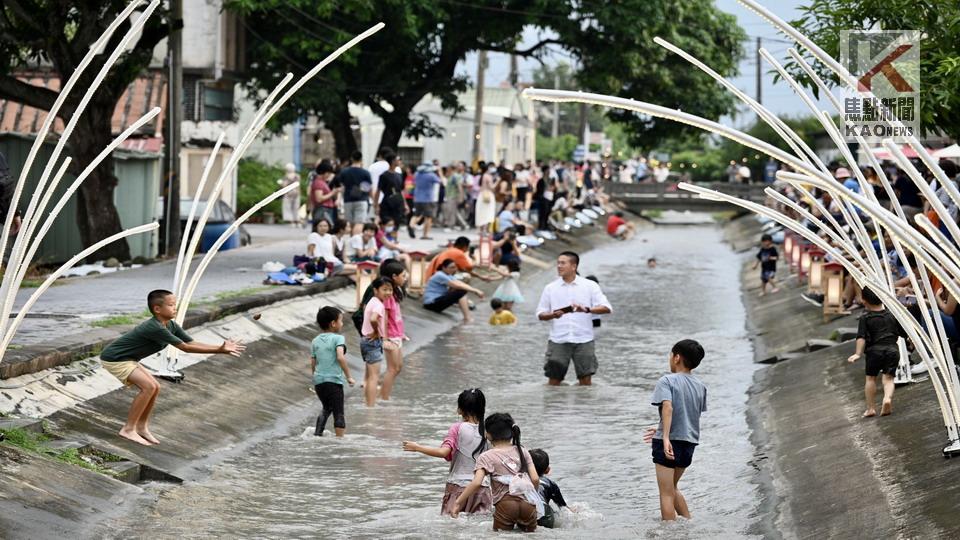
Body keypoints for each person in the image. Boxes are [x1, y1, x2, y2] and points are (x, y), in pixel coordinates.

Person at [99, 290, 246, 445]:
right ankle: (128, 430)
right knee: (148, 387)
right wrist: (218, 350)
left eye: (175, 304)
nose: (175, 308)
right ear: (157, 309)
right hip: (115, 359)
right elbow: (185, 348)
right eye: (171, 305)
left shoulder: (170, 325)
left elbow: (191, 343)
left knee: (155, 387)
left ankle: (141, 427)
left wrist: (219, 347)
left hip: (129, 358)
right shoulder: (155, 327)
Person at [642, 339, 707, 521]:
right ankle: (688, 524)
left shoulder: (667, 380)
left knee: (666, 493)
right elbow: (690, 414)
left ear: (677, 357)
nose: (670, 359)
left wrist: (665, 438)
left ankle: (669, 534)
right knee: (672, 487)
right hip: (689, 443)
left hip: (669, 441)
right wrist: (660, 427)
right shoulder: (701, 386)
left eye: (671, 355)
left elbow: (668, 407)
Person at [402, 388, 492, 515]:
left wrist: (417, 447)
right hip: (482, 488)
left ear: (460, 409)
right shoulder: (489, 431)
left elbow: (444, 452)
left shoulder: (457, 428)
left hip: (458, 486)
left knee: (452, 527)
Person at [452, 412, 540, 531]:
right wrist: (532, 499)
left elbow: (477, 482)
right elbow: (535, 479)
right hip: (528, 505)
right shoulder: (523, 451)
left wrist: (458, 502)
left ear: (488, 435)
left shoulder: (486, 457)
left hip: (506, 505)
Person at [535, 252, 612, 386]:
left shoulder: (590, 286)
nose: (559, 266)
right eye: (558, 263)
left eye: (563, 263)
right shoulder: (550, 288)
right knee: (553, 381)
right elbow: (540, 314)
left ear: (573, 266)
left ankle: (584, 407)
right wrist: (553, 315)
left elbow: (607, 308)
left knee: (586, 382)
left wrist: (587, 309)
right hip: (558, 339)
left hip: (584, 339)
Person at [847, 287, 908, 417]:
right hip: (892, 350)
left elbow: (861, 337)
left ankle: (871, 408)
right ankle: (887, 398)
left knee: (870, 379)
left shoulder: (865, 318)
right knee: (888, 379)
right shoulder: (892, 314)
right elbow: (904, 333)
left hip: (874, 352)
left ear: (864, 301)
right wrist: (911, 342)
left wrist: (858, 353)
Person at [311, 306, 355, 437]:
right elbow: (340, 357)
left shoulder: (315, 341)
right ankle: (339, 442)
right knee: (338, 412)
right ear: (333, 323)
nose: (342, 323)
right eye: (341, 320)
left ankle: (317, 435)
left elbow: (313, 361)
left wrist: (315, 377)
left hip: (319, 382)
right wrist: (349, 377)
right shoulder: (338, 338)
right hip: (334, 381)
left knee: (326, 408)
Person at [361, 277, 393, 407]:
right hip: (373, 341)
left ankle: (367, 403)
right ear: (375, 290)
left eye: (390, 289)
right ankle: (371, 407)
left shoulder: (372, 301)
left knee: (369, 376)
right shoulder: (379, 305)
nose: (388, 292)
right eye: (384, 289)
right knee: (374, 377)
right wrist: (376, 331)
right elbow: (374, 319)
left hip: (365, 340)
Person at [423, 258, 485, 323]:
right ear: (444, 268)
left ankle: (466, 313)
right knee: (461, 292)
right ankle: (467, 318)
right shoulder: (440, 275)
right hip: (431, 304)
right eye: (451, 267)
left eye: (454, 267)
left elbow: (460, 283)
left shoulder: (448, 275)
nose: (454, 269)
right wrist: (475, 291)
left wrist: (476, 290)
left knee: (460, 290)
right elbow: (457, 285)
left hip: (437, 302)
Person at [379, 261, 408, 401]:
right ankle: (383, 398)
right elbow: (384, 317)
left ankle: (382, 393)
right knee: (392, 368)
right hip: (390, 336)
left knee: (398, 367)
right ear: (394, 276)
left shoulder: (395, 292)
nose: (406, 277)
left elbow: (396, 317)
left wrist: (402, 333)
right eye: (403, 275)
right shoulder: (388, 295)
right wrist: (384, 339)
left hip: (397, 335)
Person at [425, 236, 500, 281]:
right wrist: (474, 260)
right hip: (439, 278)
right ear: (465, 247)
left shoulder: (450, 250)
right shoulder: (458, 253)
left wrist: (480, 277)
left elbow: (464, 269)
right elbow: (468, 268)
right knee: (466, 277)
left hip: (433, 277)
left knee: (463, 274)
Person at [529, 449, 568, 529]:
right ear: (547, 470)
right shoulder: (551, 484)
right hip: (544, 513)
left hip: (524, 510)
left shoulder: (518, 481)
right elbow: (563, 507)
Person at [338, 151, 373, 231]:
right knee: (360, 222)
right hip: (362, 200)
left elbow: (341, 186)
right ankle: (356, 241)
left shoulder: (344, 172)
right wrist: (374, 200)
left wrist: (339, 199)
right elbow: (369, 188)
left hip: (347, 200)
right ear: (361, 159)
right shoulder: (365, 173)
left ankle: (352, 241)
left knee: (350, 224)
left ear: (352, 159)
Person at [409, 163, 441, 240]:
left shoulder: (417, 174)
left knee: (416, 215)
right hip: (427, 199)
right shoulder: (431, 175)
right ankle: (425, 235)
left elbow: (414, 182)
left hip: (417, 198)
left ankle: (411, 226)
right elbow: (440, 181)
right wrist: (439, 172)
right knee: (428, 217)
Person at [309, 159, 340, 227]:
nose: (329, 175)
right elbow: (319, 198)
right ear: (323, 172)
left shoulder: (322, 182)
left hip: (326, 208)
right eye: (328, 173)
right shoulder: (318, 183)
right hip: (323, 209)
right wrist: (332, 193)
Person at [368, 146, 393, 220]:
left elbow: (369, 184)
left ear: (380, 155)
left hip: (374, 198)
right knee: (389, 221)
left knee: (376, 220)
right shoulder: (394, 167)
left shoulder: (372, 167)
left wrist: (372, 199)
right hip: (390, 199)